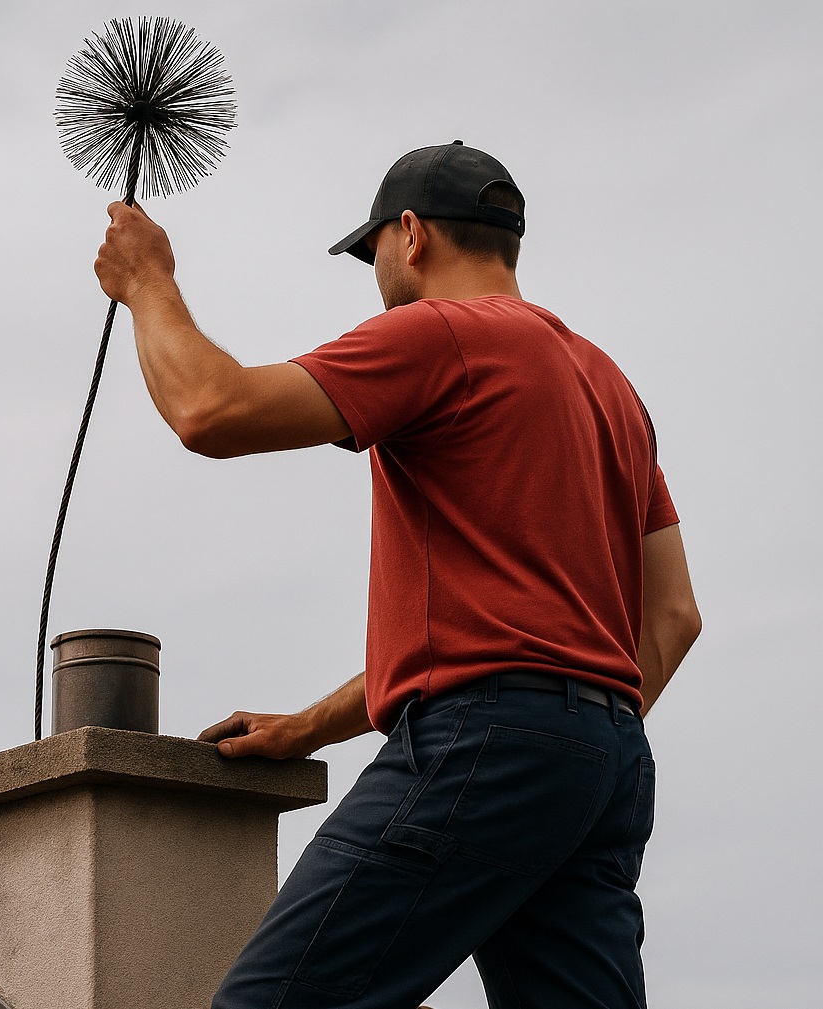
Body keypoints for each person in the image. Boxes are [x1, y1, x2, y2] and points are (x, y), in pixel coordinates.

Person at [94, 141, 701, 1009]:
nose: (374, 271)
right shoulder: (611, 388)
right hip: (607, 767)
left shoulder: (436, 334)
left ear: (409, 234)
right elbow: (673, 617)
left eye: (371, 249)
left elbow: (209, 408)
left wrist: (146, 281)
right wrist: (314, 726)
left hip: (489, 745)